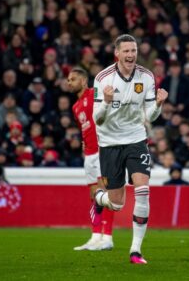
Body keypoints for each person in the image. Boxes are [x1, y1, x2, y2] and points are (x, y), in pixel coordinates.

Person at [92, 34, 168, 264]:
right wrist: (105, 102)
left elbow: (149, 116)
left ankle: (136, 251)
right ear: (117, 53)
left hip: (136, 139)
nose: (130, 55)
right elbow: (97, 119)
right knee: (117, 204)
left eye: (133, 51)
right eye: (126, 51)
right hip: (110, 143)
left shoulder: (146, 77)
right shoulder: (102, 78)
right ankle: (100, 198)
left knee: (143, 190)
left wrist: (158, 105)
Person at [67, 67, 115, 251]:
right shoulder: (75, 106)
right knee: (94, 195)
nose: (69, 82)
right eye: (68, 79)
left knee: (106, 193)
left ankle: (107, 237)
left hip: (103, 149)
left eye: (72, 79)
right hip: (89, 154)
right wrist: (83, 141)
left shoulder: (95, 93)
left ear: (83, 81)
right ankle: (95, 236)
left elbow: (109, 107)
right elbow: (85, 126)